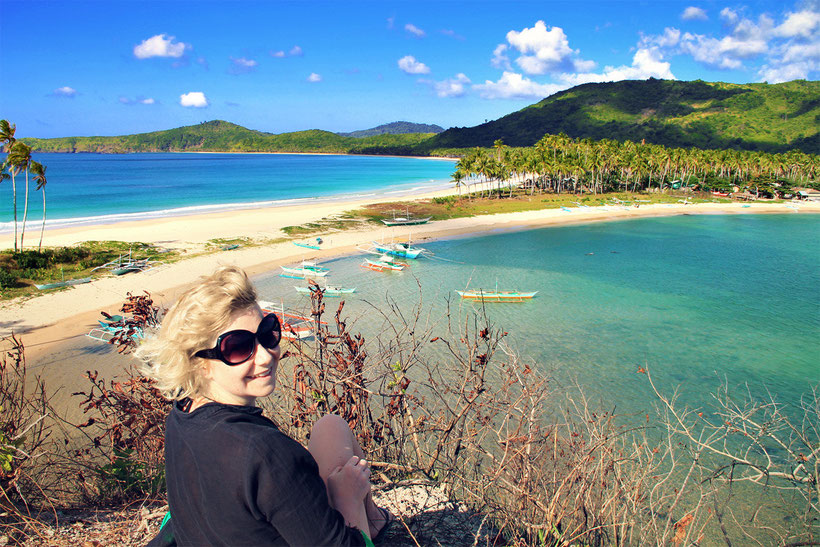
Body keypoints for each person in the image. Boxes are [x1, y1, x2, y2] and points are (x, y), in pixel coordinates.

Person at [137, 265, 392, 546]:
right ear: (199, 365)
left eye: (268, 333)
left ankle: (375, 519)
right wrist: (348, 500)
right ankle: (370, 522)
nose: (266, 356)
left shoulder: (180, 416)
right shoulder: (266, 454)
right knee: (341, 457)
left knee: (330, 426)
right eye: (237, 347)